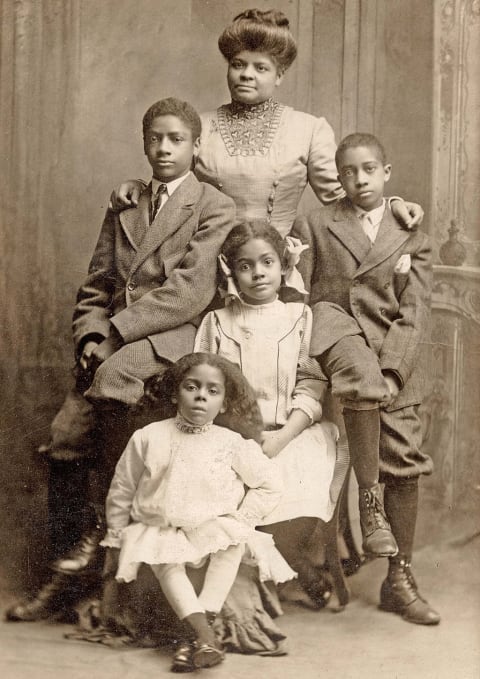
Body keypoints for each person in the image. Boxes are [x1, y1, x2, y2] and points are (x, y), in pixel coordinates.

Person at [6, 98, 236, 622]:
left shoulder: (212, 206)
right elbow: (97, 282)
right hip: (113, 340)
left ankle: (102, 531)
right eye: (155, 138)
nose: (164, 148)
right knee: (64, 435)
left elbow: (188, 292)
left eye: (176, 139)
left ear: (196, 147)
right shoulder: (127, 203)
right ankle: (68, 565)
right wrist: (90, 333)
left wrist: (115, 333)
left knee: (112, 379)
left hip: (170, 335)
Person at [292, 132, 440, 625]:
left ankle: (399, 574)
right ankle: (314, 559)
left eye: (369, 170)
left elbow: (414, 313)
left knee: (405, 458)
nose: (359, 180)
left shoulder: (410, 231)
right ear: (337, 178)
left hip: (391, 358)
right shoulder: (315, 222)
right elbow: (302, 295)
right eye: (348, 172)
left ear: (387, 173)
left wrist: (395, 370)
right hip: (336, 350)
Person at [111, 8, 424, 235]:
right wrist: (139, 187)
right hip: (203, 262)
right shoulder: (198, 127)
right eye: (238, 65)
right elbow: (170, 188)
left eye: (260, 68)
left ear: (279, 75)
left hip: (277, 266)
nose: (247, 74)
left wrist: (392, 204)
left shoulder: (308, 129)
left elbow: (347, 198)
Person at [100, 352, 294, 672]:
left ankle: (195, 640)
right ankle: (204, 636)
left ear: (225, 404)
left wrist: (243, 519)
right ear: (176, 393)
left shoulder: (232, 443)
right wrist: (118, 534)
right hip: (162, 528)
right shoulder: (148, 437)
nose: (201, 395)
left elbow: (270, 484)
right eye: (192, 386)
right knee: (165, 560)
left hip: (212, 528)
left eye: (213, 391)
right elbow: (122, 489)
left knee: (233, 543)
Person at [194, 220, 347, 605]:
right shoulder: (217, 322)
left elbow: (311, 385)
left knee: (293, 475)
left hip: (292, 431)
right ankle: (266, 575)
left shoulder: (300, 318)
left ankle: (287, 558)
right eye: (245, 266)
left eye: (266, 262)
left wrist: (280, 437)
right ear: (232, 271)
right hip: (233, 433)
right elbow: (206, 384)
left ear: (283, 266)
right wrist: (239, 434)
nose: (257, 273)